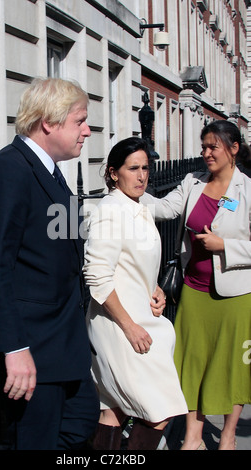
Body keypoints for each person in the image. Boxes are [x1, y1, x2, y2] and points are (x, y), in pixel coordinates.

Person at [0, 77, 99, 450]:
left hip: (63, 344)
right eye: (80, 121)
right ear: (49, 122)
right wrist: (13, 348)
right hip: (30, 349)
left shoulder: (51, 172)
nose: (87, 131)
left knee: (80, 421)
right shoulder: (7, 171)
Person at [144, 120, 251, 450]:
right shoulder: (193, 182)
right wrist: (127, 193)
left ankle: (228, 435)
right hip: (194, 288)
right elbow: (165, 207)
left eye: (212, 147)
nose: (205, 153)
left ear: (233, 149)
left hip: (236, 294)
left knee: (229, 364)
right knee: (191, 363)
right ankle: (193, 436)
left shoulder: (247, 190)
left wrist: (226, 247)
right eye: (203, 147)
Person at [83, 137, 188, 450]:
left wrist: (152, 287)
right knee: (161, 409)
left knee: (113, 412)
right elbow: (97, 277)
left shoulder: (138, 205)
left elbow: (131, 261)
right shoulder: (111, 211)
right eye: (133, 169)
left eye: (145, 168)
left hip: (138, 318)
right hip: (120, 327)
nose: (142, 175)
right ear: (114, 173)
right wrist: (129, 327)